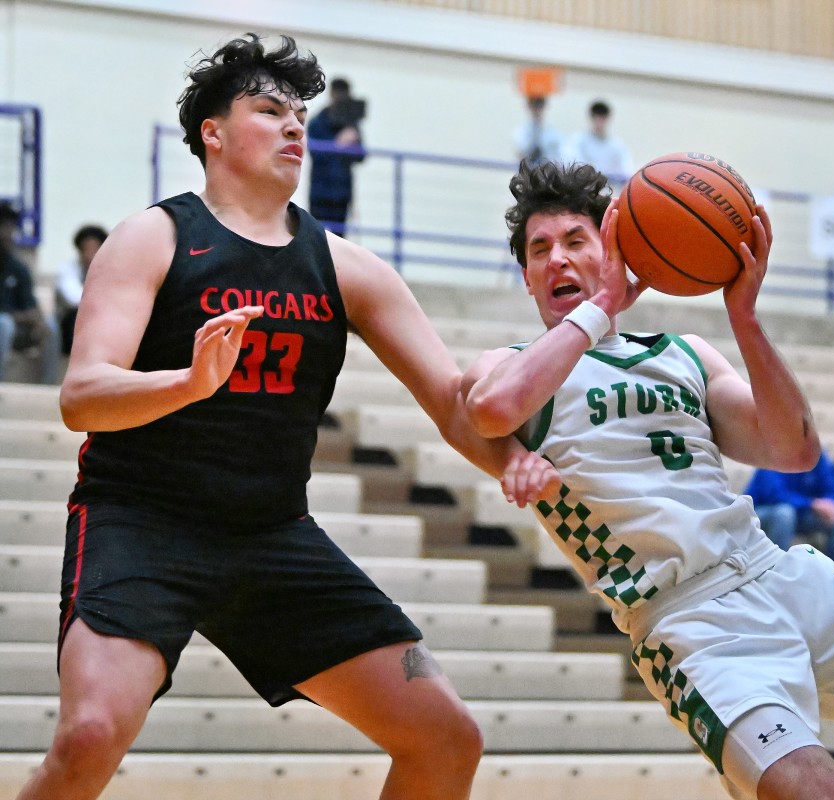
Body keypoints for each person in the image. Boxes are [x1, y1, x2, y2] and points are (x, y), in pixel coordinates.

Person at [16, 34, 533, 800]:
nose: (296, 126)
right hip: (140, 524)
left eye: (301, 114)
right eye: (269, 110)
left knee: (447, 739)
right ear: (212, 134)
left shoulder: (348, 268)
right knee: (89, 737)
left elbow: (456, 405)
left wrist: (516, 458)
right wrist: (190, 383)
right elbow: (82, 395)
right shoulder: (153, 237)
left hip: (271, 535)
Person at [461, 159, 834, 800]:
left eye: (574, 241)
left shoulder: (685, 353)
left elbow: (795, 449)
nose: (557, 258)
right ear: (526, 277)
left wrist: (745, 318)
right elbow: (491, 409)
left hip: (773, 571)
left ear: (610, 246)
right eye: (539, 249)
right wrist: (603, 303)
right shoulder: (511, 365)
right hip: (690, 624)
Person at [744, 454, 834, 571]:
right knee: (785, 513)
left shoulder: (816, 455)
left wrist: (828, 504)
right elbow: (775, 495)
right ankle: (776, 569)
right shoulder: (774, 454)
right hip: (762, 513)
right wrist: (811, 503)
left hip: (800, 514)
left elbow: (830, 488)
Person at [0, 201, 59, 384]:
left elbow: (30, 306)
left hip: (16, 327)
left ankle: (49, 385)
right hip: (6, 324)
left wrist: (38, 321)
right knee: (5, 323)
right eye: (3, 227)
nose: (7, 233)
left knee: (51, 326)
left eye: (11, 227)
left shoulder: (17, 267)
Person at [306, 76, 366, 232]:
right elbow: (315, 153)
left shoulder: (350, 125)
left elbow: (361, 156)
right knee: (316, 237)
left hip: (342, 191)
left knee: (339, 239)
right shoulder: (317, 122)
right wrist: (338, 143)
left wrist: (352, 138)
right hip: (320, 190)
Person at [56, 224, 107, 355]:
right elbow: (74, 298)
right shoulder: (67, 268)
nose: (90, 254)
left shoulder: (110, 269)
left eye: (95, 249)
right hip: (71, 320)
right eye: (86, 249)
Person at [563, 100, 635, 179]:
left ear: (608, 118)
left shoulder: (618, 146)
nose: (600, 121)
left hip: (610, 188)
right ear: (591, 117)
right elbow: (570, 165)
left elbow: (627, 171)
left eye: (603, 117)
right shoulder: (577, 141)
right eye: (597, 116)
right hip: (584, 186)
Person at [512, 95, 562, 166]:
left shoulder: (553, 134)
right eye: (534, 103)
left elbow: (556, 159)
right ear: (528, 105)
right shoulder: (521, 132)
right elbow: (520, 155)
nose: (537, 108)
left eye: (540, 103)